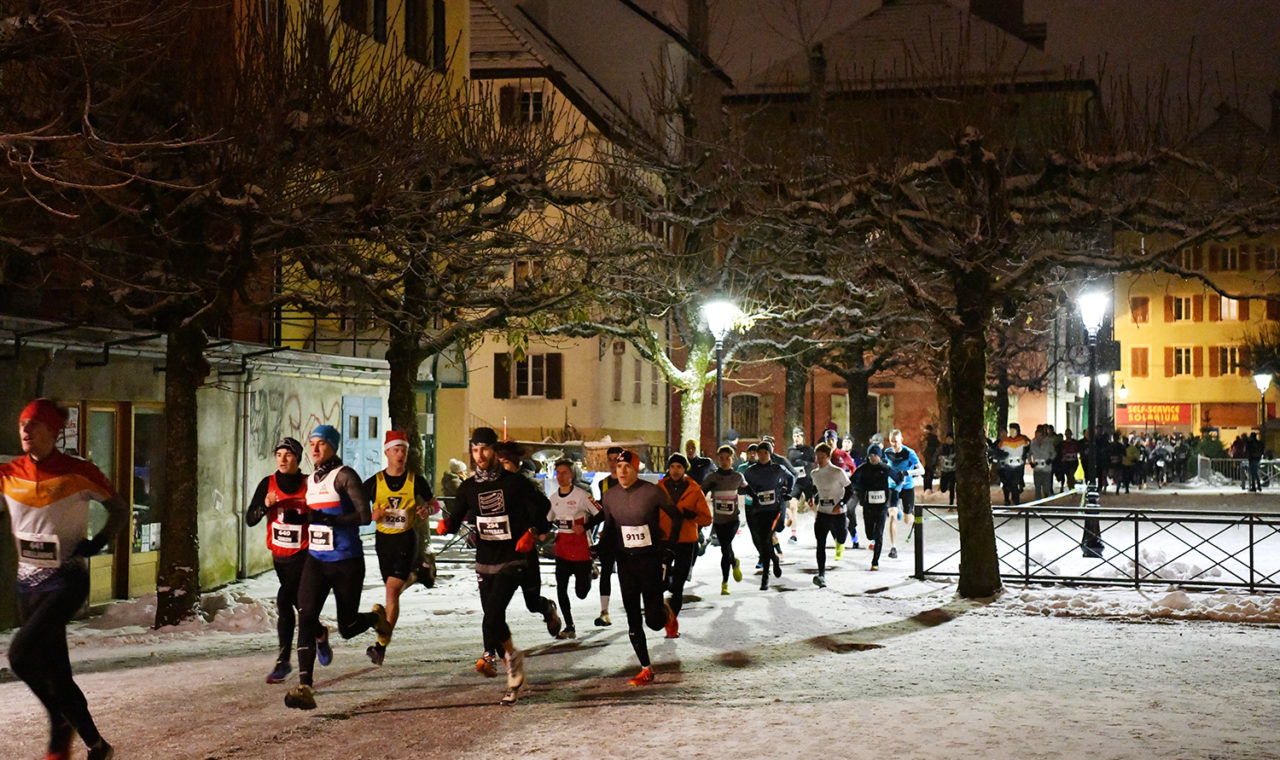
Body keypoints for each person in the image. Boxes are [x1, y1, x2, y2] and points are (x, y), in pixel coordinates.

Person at [2, 398, 128, 760]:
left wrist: (100, 540)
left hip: (67, 580)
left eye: (34, 425)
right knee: (57, 673)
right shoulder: (8, 473)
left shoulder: (79, 471)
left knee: (20, 654)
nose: (25, 430)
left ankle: (58, 720)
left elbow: (118, 508)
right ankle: (97, 745)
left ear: (53, 432)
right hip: (27, 585)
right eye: (22, 423)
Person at [440, 427, 553, 705]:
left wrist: (531, 531)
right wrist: (444, 525)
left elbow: (544, 507)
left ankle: (511, 666)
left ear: (495, 450)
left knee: (492, 616)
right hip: (485, 561)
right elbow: (455, 520)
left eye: (485, 449)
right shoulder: (468, 488)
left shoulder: (515, 483)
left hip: (513, 558)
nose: (480, 455)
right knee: (493, 618)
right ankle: (511, 656)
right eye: (475, 450)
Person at [285, 425, 391, 710]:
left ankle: (375, 619)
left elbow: (364, 515)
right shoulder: (311, 481)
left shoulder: (344, 475)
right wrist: (302, 520)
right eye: (312, 444)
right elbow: (315, 515)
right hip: (317, 561)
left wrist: (330, 520)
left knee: (347, 627)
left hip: (347, 562)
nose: (315, 449)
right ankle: (305, 686)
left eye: (321, 444)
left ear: (333, 446)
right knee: (306, 616)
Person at [244, 436, 327, 684]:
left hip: (306, 556)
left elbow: (324, 513)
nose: (282, 459)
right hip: (280, 558)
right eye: (279, 454)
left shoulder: (309, 483)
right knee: (296, 603)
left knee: (286, 601)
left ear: (298, 459)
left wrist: (304, 518)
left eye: (288, 455)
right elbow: (250, 518)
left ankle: (284, 661)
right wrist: (264, 506)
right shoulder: (267, 484)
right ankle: (320, 633)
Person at [596, 450, 675, 687]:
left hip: (650, 562)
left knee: (653, 622)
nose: (621, 471)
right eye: (619, 467)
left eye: (627, 467)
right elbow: (610, 528)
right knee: (633, 618)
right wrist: (599, 548)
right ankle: (645, 668)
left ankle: (664, 612)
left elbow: (675, 517)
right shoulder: (609, 497)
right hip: (626, 563)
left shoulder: (652, 492)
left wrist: (669, 549)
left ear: (636, 469)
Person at [363, 430, 436, 665]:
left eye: (403, 450)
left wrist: (427, 510)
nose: (400, 454)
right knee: (392, 589)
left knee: (392, 591)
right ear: (386, 453)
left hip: (406, 538)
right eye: (396, 450)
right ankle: (418, 574)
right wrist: (371, 514)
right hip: (384, 541)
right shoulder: (375, 481)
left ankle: (381, 646)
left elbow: (433, 503)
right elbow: (357, 506)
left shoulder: (415, 480)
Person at [492, 441, 563, 640]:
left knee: (532, 602)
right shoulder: (493, 482)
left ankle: (547, 608)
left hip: (524, 550)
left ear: (514, 462)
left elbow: (544, 508)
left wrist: (535, 530)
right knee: (495, 604)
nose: (500, 468)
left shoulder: (525, 484)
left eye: (504, 463)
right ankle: (496, 647)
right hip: (500, 550)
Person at [656, 453, 712, 637]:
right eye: (672, 466)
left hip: (686, 541)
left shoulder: (694, 489)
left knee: (678, 585)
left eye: (679, 467)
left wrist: (691, 516)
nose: (675, 470)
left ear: (684, 469)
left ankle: (671, 625)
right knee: (661, 582)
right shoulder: (660, 487)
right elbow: (651, 511)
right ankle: (666, 608)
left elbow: (707, 518)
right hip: (664, 539)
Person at [546, 459, 600, 639]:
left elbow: (602, 513)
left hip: (581, 548)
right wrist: (540, 532)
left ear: (572, 474)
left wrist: (585, 527)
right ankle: (569, 626)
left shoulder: (582, 495)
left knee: (581, 593)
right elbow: (548, 519)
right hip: (562, 548)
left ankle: (590, 571)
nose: (560, 476)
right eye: (558, 473)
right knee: (561, 587)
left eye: (564, 472)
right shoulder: (553, 498)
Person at [741, 441, 795, 590]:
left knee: (766, 538)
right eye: (760, 453)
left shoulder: (778, 468)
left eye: (765, 453)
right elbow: (744, 486)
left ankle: (765, 576)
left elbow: (792, 478)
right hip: (758, 511)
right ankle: (774, 559)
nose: (763, 456)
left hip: (774, 509)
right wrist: (747, 492)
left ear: (770, 454)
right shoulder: (751, 471)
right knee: (763, 540)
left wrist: (786, 491)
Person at [850, 444, 904, 571]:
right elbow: (852, 481)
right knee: (870, 534)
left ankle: (875, 561)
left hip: (882, 506)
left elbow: (899, 478)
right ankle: (872, 539)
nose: (872, 458)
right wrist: (859, 490)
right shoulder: (863, 468)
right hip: (868, 505)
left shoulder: (885, 468)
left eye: (875, 455)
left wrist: (896, 490)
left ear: (879, 456)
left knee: (879, 533)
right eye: (870, 455)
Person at [702, 445, 747, 595]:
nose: (724, 461)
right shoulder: (712, 477)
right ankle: (734, 562)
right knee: (725, 549)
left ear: (732, 459)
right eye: (721, 458)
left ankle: (724, 583)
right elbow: (701, 493)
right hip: (719, 521)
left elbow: (747, 489)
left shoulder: (737, 477)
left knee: (725, 547)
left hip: (733, 520)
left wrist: (756, 498)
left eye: (727, 458)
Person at [810, 443, 853, 588]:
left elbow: (850, 490)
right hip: (823, 513)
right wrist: (812, 498)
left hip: (838, 513)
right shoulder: (814, 473)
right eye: (818, 457)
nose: (820, 460)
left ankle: (843, 532)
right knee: (820, 543)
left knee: (841, 538)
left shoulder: (838, 472)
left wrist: (841, 504)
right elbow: (816, 489)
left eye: (822, 457)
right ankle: (821, 574)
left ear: (828, 457)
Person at [590, 445, 624, 626]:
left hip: (627, 535)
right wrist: (588, 521)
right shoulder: (602, 483)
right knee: (606, 572)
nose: (613, 463)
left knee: (629, 575)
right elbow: (603, 509)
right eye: (610, 459)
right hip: (610, 534)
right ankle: (604, 612)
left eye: (616, 459)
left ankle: (635, 608)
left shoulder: (629, 481)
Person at [883, 429, 923, 559]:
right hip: (893, 487)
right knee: (892, 516)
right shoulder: (887, 452)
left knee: (907, 520)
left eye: (896, 441)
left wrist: (907, 473)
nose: (894, 445)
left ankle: (907, 515)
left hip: (907, 487)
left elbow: (921, 470)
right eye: (892, 442)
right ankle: (893, 547)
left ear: (901, 440)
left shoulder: (909, 453)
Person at [785, 427, 816, 544]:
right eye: (794, 436)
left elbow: (814, 463)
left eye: (798, 436)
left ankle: (823, 524)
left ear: (802, 437)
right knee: (793, 505)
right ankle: (793, 535)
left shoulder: (808, 450)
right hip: (796, 482)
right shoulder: (790, 450)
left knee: (812, 505)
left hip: (807, 482)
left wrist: (806, 464)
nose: (796, 438)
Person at [995, 423, 1031, 505]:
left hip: (1018, 466)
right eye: (1010, 430)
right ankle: (1010, 498)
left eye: (1013, 430)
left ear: (1017, 430)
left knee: (1014, 483)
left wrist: (1025, 455)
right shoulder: (1005, 441)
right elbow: (998, 451)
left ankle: (1016, 500)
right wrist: (1002, 455)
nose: (1011, 432)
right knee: (1008, 484)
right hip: (1008, 466)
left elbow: (1029, 446)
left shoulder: (1022, 440)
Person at [1028, 424, 1058, 500]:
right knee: (1037, 487)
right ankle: (1038, 503)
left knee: (1046, 488)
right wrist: (1030, 462)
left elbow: (1054, 453)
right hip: (1037, 468)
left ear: (1042, 435)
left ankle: (1046, 496)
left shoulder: (1049, 442)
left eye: (1039, 436)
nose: (1038, 438)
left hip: (1046, 469)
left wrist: (1050, 459)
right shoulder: (1033, 443)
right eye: (1036, 436)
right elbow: (1029, 453)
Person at [937, 434, 957, 505]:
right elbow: (937, 455)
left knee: (952, 487)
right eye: (947, 439)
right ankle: (946, 488)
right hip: (944, 470)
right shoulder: (942, 447)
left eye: (950, 439)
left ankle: (951, 504)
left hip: (953, 471)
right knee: (943, 488)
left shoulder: (955, 448)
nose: (949, 440)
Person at [921, 425, 941, 493]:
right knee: (929, 475)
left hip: (928, 459)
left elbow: (923, 449)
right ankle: (928, 489)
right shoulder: (932, 438)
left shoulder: (926, 438)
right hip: (930, 460)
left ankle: (926, 489)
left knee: (927, 475)